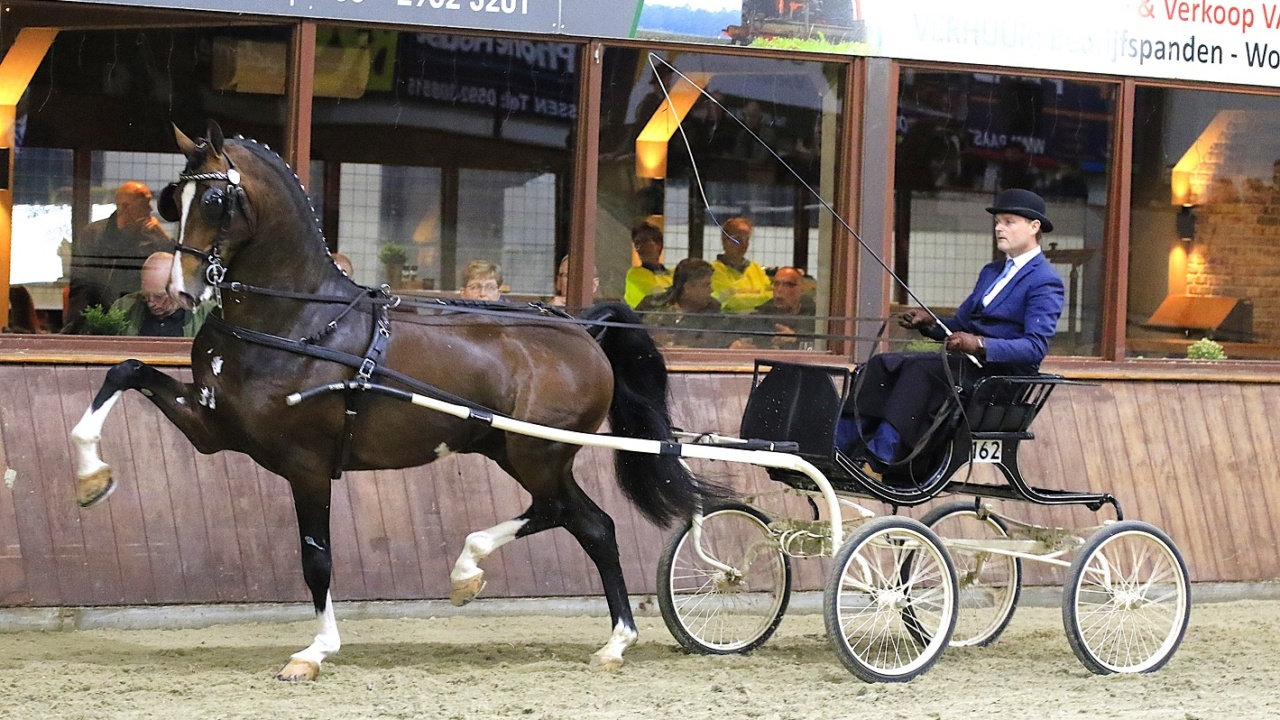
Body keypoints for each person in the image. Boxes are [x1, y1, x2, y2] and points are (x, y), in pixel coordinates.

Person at [847, 188, 1065, 472]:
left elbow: (1035, 347)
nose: (999, 228)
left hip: (1000, 376)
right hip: (966, 365)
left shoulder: (1045, 280)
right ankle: (844, 444)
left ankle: (882, 455)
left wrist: (979, 345)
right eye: (997, 221)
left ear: (1034, 227)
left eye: (1009, 221)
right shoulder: (992, 271)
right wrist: (929, 323)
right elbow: (960, 326)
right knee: (882, 363)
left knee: (921, 370)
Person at [64, 181, 171, 333]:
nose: (150, 209)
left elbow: (171, 269)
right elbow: (81, 286)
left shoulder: (153, 238)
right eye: (144, 203)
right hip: (101, 315)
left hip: (140, 318)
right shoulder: (93, 236)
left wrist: (161, 235)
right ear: (125, 207)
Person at [637, 258, 736, 349]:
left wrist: (679, 345)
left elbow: (714, 341)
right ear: (688, 287)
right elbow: (630, 332)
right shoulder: (651, 304)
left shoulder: (712, 310)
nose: (711, 290)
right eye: (706, 285)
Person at [109, 252, 212, 337]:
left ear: (176, 288)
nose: (151, 303)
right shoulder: (123, 308)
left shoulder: (206, 314)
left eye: (159, 296)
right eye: (145, 295)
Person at [732, 266, 815, 350]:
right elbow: (730, 335)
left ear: (801, 289)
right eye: (776, 284)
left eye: (787, 285)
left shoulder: (815, 317)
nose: (779, 290)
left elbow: (820, 343)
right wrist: (734, 344)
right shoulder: (761, 316)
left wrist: (796, 338)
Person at [711, 217, 772, 313]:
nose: (744, 245)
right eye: (737, 239)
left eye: (747, 239)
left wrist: (739, 292)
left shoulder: (756, 268)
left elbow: (772, 296)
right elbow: (731, 301)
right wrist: (758, 293)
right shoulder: (713, 270)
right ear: (724, 240)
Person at [624, 223, 672, 308]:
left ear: (658, 245)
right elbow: (656, 296)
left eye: (645, 241)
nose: (640, 247)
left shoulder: (673, 273)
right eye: (637, 243)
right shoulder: (635, 274)